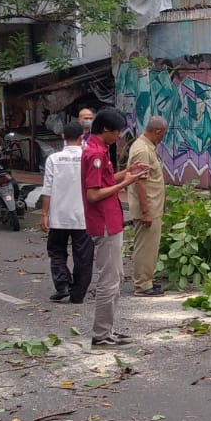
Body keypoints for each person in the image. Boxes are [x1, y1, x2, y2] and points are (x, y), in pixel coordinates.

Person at [81, 107, 150, 348]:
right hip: (104, 223)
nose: (119, 136)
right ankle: (101, 334)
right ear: (105, 130)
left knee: (116, 277)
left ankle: (108, 329)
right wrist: (129, 182)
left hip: (111, 220)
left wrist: (126, 173)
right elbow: (93, 195)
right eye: (117, 132)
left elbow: (106, 181)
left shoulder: (100, 150)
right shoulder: (94, 155)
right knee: (109, 280)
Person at [39, 119, 93, 305]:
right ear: (82, 136)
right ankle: (78, 293)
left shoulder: (53, 159)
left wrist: (44, 214)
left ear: (62, 136)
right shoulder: (88, 157)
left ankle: (62, 285)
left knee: (57, 252)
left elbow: (47, 189)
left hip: (59, 216)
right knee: (83, 257)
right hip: (83, 217)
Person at [126, 114, 170, 296]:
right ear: (158, 131)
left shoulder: (145, 147)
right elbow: (140, 183)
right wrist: (146, 212)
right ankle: (143, 285)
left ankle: (147, 280)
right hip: (148, 208)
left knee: (150, 247)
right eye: (163, 134)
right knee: (145, 247)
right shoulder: (143, 150)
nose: (163, 138)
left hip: (152, 207)